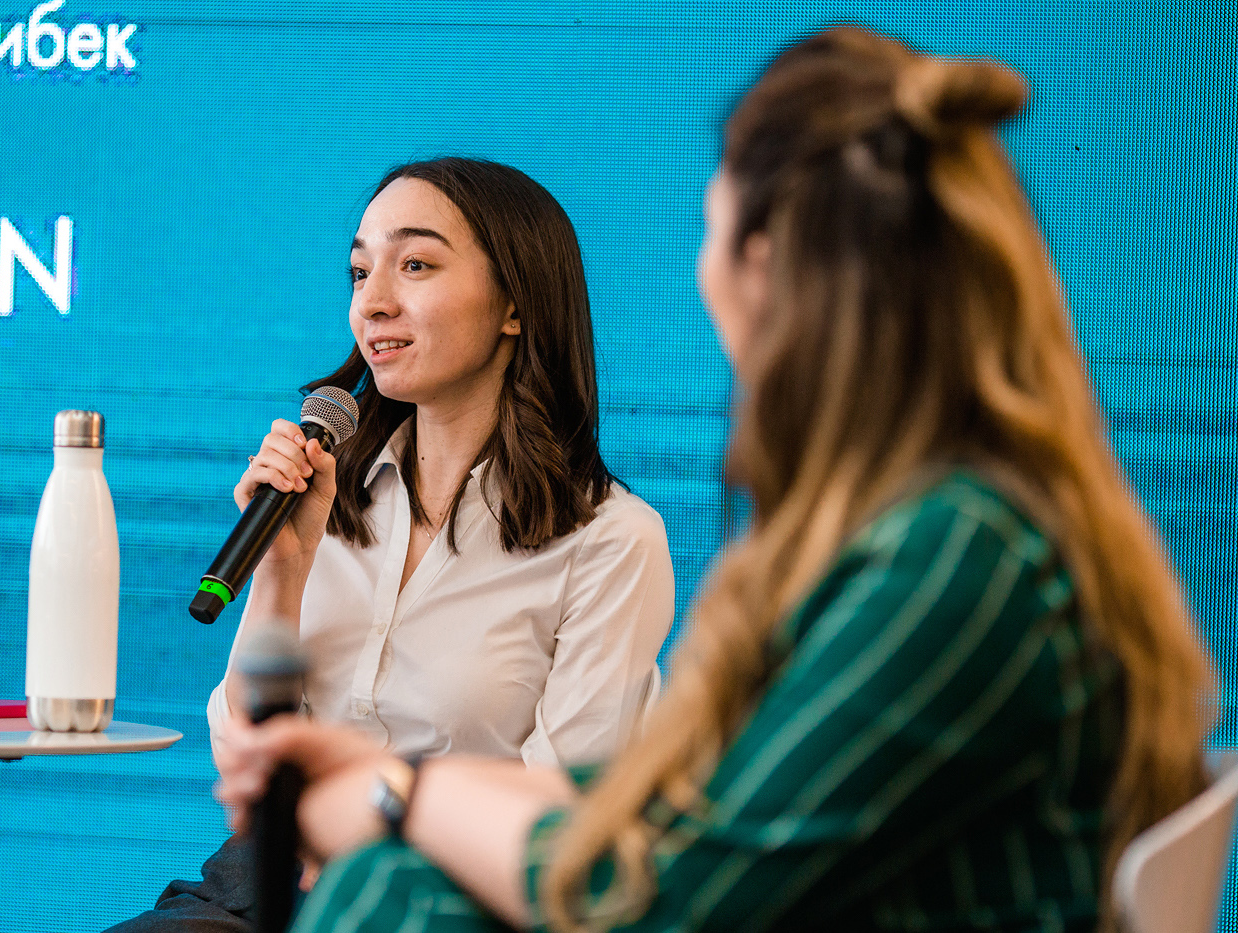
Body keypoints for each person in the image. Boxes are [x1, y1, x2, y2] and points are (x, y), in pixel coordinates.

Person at [213, 27, 1216, 933]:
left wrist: (399, 798)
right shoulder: (939, 535)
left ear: (771, 264)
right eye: (360, 271)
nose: (374, 302)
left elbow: (665, 892)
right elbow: (667, 817)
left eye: (709, 229)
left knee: (394, 898)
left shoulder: (949, 554)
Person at [108, 158, 675, 932]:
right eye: (359, 270)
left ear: (515, 302)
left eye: (415, 265)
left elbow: (563, 820)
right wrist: (285, 564)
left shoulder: (612, 541)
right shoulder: (321, 493)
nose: (373, 303)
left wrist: (367, 826)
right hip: (263, 882)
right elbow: (245, 752)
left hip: (450, 901)